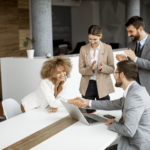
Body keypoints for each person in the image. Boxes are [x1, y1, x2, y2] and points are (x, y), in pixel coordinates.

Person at [74, 60, 150, 150]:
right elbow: (112, 104)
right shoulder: (134, 90)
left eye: (115, 73)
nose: (114, 76)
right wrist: (87, 102)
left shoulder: (134, 96)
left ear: (122, 75)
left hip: (137, 145)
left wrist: (112, 124)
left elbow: (128, 131)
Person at [79, 25, 115, 113]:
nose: (92, 42)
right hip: (88, 85)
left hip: (103, 85)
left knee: (104, 113)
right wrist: (90, 68)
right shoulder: (83, 49)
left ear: (100, 36)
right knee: (87, 113)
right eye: (90, 39)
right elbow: (81, 70)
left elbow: (112, 68)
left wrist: (103, 68)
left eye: (95, 39)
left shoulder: (107, 48)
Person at [116, 16, 150, 95]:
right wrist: (125, 61)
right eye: (128, 31)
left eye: (131, 31)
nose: (128, 34)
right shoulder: (131, 44)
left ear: (140, 29)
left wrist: (135, 59)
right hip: (134, 88)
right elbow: (133, 66)